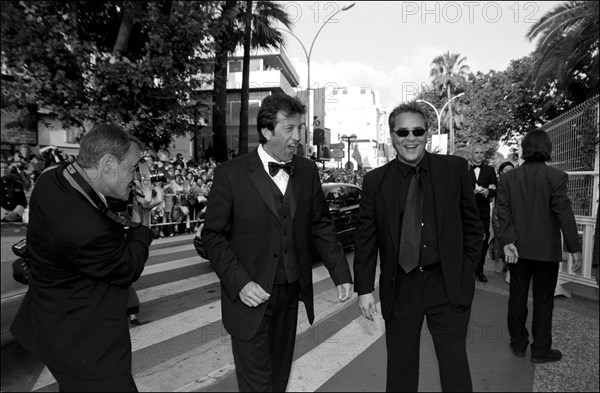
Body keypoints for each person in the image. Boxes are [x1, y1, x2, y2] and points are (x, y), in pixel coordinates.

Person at [202, 93, 353, 392]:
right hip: (248, 297)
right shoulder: (230, 174)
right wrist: (240, 282)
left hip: (289, 294)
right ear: (267, 131)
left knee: (279, 377)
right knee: (258, 385)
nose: (298, 137)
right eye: (290, 129)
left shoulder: (308, 171)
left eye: (300, 128)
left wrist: (341, 274)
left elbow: (321, 224)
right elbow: (213, 236)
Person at [10, 123, 164, 391]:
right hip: (86, 347)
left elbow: (95, 203)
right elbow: (128, 267)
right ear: (107, 164)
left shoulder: (53, 178)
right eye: (131, 167)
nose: (137, 177)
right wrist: (144, 215)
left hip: (52, 323)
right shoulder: (86, 230)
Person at [354, 101, 483, 392]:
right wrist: (364, 289)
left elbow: (474, 228)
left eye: (417, 131)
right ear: (392, 136)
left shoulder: (454, 169)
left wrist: (465, 271)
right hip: (401, 288)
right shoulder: (375, 181)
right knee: (400, 369)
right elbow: (365, 239)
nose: (410, 138)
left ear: (427, 134)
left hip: (447, 284)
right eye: (403, 132)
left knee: (454, 366)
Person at [496, 129, 582, 364]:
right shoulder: (556, 177)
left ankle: (518, 343)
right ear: (547, 148)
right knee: (544, 300)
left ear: (524, 148)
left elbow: (503, 213)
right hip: (546, 251)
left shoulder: (507, 178)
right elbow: (564, 213)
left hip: (517, 250)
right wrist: (575, 248)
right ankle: (541, 349)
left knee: (517, 296)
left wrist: (509, 241)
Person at [469, 144, 498, 283]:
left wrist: (488, 191)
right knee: (468, 239)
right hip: (468, 210)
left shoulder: (490, 170)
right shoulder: (465, 169)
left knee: (484, 240)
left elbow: (495, 188)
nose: (479, 155)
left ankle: (479, 270)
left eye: (481, 152)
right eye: (476, 152)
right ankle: (468, 269)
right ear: (471, 154)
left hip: (483, 211)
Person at [489, 161, 515, 279]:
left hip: (513, 215)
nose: (509, 172)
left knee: (511, 239)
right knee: (499, 239)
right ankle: (497, 262)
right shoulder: (497, 184)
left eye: (511, 170)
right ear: (500, 172)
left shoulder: (517, 184)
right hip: (498, 216)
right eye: (506, 170)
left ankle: (508, 263)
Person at [1, 158, 28, 222]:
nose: (3, 170)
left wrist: (16, 213)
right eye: (1, 168)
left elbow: (23, 200)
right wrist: (3, 215)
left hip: (15, 219)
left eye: (6, 168)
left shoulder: (16, 183)